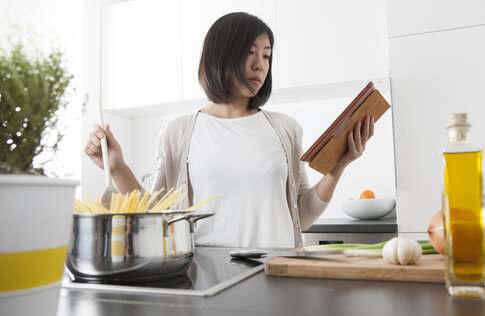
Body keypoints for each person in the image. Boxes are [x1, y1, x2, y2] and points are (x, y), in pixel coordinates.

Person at [85, 12, 374, 248]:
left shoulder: (285, 129)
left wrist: (339, 166)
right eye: (250, 53)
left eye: (267, 55)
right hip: (205, 277)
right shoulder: (178, 132)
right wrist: (119, 168)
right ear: (220, 56)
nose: (259, 65)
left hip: (278, 275)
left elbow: (302, 215)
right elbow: (158, 219)